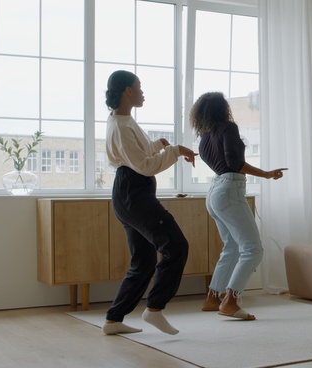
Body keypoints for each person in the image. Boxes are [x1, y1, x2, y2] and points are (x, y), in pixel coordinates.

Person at [102, 70, 197, 335]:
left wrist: (158, 145)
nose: (142, 91)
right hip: (134, 194)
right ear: (127, 91)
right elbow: (143, 166)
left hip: (130, 194)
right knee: (176, 246)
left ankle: (114, 320)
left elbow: (136, 154)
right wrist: (175, 151)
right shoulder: (121, 125)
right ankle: (154, 309)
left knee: (143, 261)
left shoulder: (122, 120)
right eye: (139, 87)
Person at [190, 91, 287, 320]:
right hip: (230, 190)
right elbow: (234, 163)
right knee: (253, 249)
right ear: (222, 108)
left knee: (231, 247)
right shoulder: (228, 128)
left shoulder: (205, 137)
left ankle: (213, 297)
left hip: (214, 193)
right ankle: (231, 300)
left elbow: (221, 164)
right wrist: (266, 174)